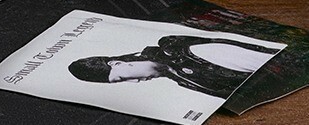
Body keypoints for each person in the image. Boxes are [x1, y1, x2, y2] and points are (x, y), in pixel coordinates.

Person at [69, 33, 278, 100]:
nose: (135, 82)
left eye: (122, 78)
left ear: (117, 63)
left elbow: (275, 66)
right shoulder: (180, 79)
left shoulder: (195, 54)